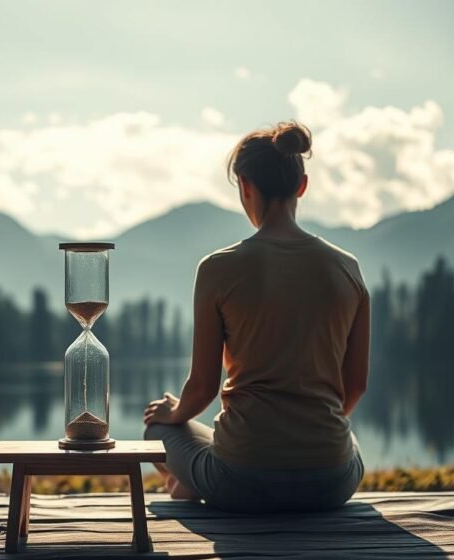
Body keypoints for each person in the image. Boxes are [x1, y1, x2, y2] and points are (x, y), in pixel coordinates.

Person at [143, 121, 369, 513]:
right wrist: (307, 434)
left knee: (156, 430)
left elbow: (201, 390)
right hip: (331, 482)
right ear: (302, 186)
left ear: (245, 186)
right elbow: (356, 386)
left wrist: (171, 413)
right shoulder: (348, 269)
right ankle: (190, 483)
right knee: (349, 442)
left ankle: (187, 485)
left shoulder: (217, 269)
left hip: (241, 481)